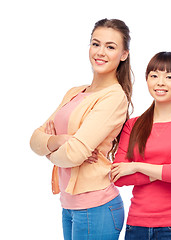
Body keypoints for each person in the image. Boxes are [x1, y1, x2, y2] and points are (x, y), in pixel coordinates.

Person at [30, 18, 133, 240]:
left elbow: (75, 153)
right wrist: (61, 140)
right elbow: (34, 139)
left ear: (124, 54)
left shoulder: (114, 97)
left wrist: (51, 148)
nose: (101, 52)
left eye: (110, 46)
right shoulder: (74, 92)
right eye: (96, 44)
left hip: (96, 207)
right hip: (69, 205)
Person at [111, 51, 171, 240]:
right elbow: (118, 177)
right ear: (146, 80)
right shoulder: (132, 124)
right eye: (154, 76)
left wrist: (136, 166)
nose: (160, 82)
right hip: (136, 225)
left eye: (169, 76)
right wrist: (170, 168)